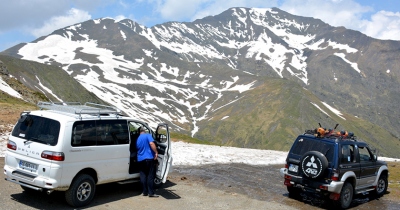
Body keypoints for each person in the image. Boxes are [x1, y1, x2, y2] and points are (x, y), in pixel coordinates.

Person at [136, 126, 159, 197]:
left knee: (143, 175)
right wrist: (156, 152)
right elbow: (151, 144)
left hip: (140, 159)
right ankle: (151, 193)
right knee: (150, 175)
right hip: (149, 158)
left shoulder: (138, 139)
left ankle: (144, 192)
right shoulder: (148, 135)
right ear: (144, 131)